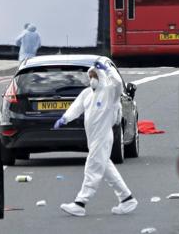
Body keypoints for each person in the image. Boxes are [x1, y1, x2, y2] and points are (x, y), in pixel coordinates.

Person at [54, 62, 137, 217]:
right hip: (92, 138)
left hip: (103, 137)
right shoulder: (86, 93)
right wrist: (64, 118)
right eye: (90, 76)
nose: (92, 79)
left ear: (101, 76)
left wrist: (108, 69)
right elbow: (76, 107)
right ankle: (127, 199)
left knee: (91, 168)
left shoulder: (109, 92)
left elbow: (118, 83)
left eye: (95, 76)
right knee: (107, 169)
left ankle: (80, 203)